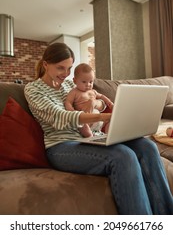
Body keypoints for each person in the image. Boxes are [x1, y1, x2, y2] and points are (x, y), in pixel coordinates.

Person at [24, 42, 173, 215]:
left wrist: (98, 104)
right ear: (45, 65)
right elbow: (60, 116)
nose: (65, 74)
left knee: (147, 146)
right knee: (123, 156)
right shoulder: (33, 89)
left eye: (69, 68)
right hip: (61, 146)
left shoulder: (68, 86)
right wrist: (102, 116)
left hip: (88, 138)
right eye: (60, 68)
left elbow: (96, 101)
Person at [65, 63, 114, 137]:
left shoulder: (93, 91)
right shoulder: (74, 92)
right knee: (82, 125)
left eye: (91, 82)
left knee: (110, 120)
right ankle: (89, 136)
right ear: (75, 81)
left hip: (98, 119)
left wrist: (109, 102)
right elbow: (68, 102)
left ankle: (108, 135)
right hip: (85, 119)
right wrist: (72, 111)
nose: (88, 84)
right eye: (84, 82)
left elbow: (101, 96)